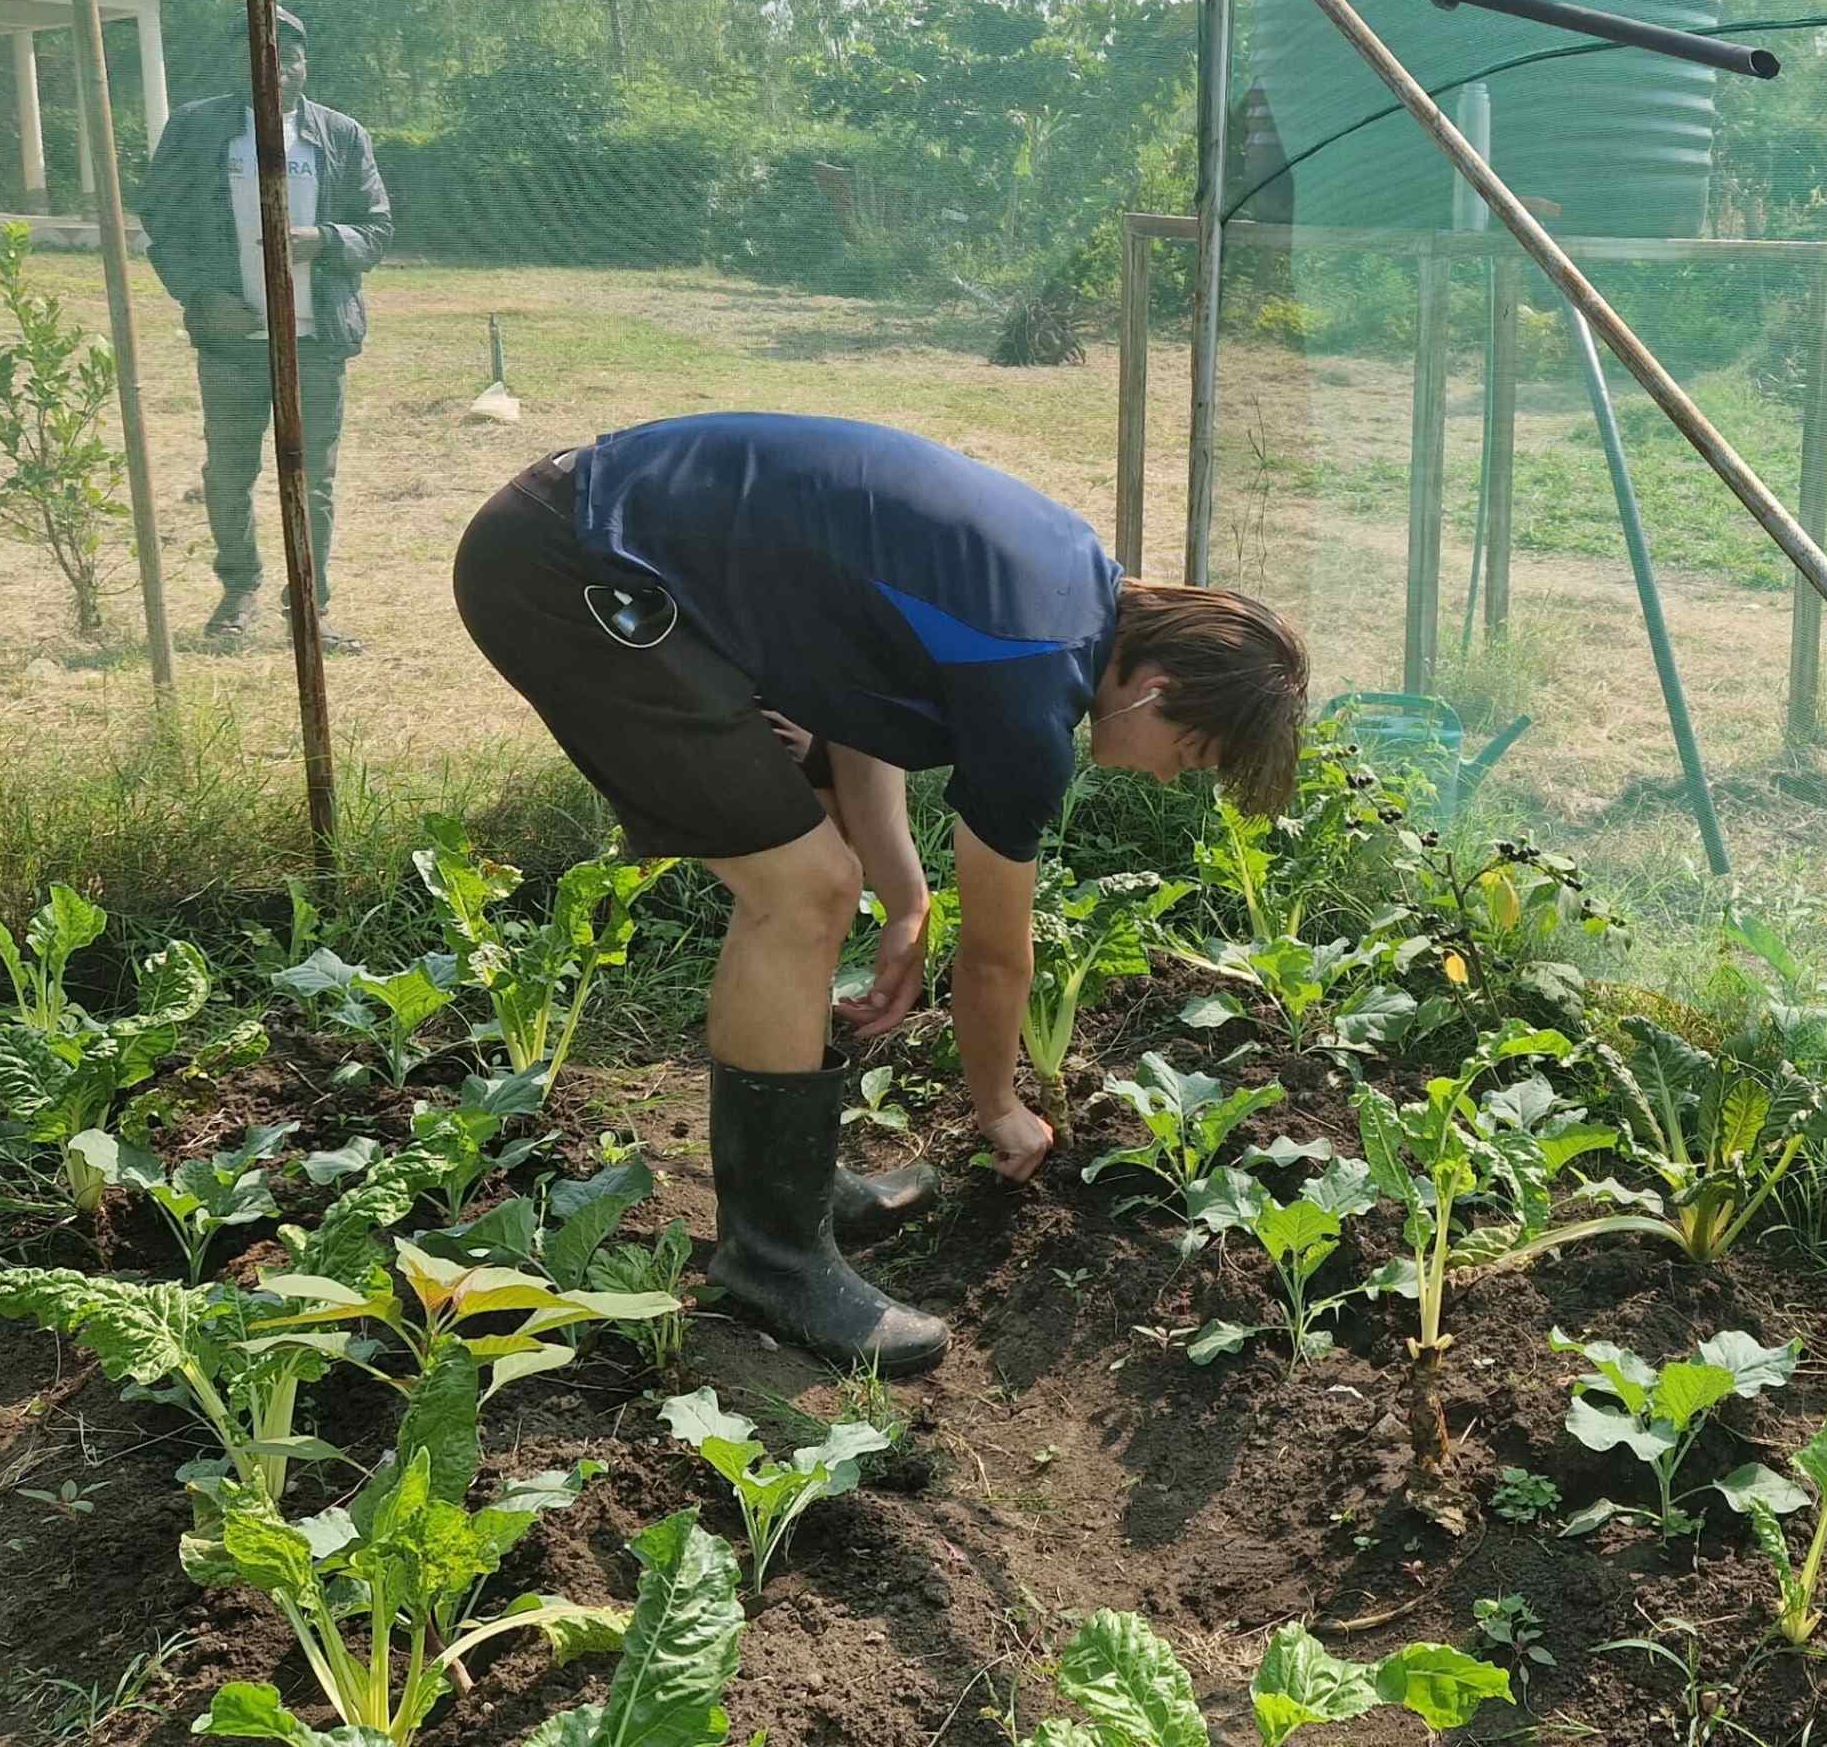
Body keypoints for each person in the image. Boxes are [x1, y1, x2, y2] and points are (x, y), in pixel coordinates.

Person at [450, 413, 1308, 1366]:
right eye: (1187, 757)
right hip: (572, 565)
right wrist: (998, 1107)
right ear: (1153, 690)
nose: (1164, 779)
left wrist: (906, 900)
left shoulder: (1067, 584)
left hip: (591, 530)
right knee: (803, 889)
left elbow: (857, 709)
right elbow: (995, 957)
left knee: (819, 878)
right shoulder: (1034, 679)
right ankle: (772, 1257)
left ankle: (794, 1186)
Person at [143, 4, 391, 652]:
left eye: (292, 54)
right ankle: (239, 590)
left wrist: (325, 239)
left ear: (306, 64)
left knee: (314, 481)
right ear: (236, 61)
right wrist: (201, 296)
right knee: (228, 472)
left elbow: (377, 229)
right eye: (263, 52)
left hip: (317, 341)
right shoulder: (196, 131)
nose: (279, 67)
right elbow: (162, 225)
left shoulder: (340, 136)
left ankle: (308, 606)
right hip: (232, 343)